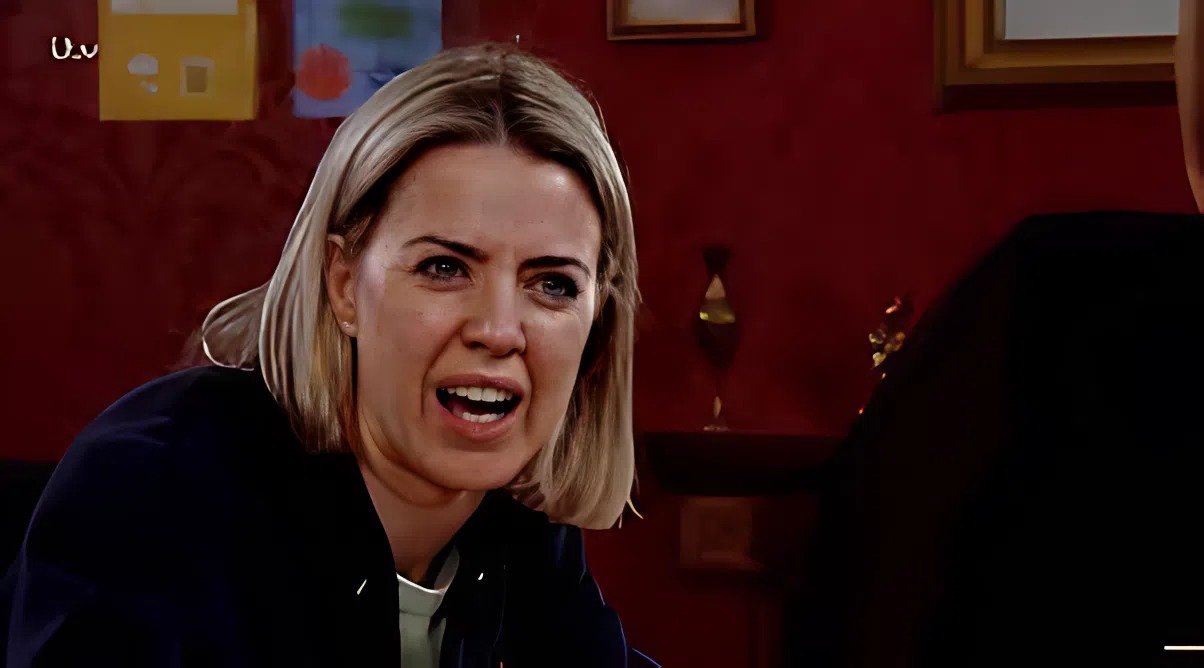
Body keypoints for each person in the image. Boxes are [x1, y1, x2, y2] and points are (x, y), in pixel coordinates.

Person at [1, 43, 656, 667]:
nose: (499, 330)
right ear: (343, 284)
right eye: (445, 267)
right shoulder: (155, 491)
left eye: (553, 284)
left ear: (597, 320)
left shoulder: (521, 531)